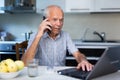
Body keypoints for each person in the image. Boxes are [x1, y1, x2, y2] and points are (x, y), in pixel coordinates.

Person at [22, 5, 93, 71]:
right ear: (44, 20)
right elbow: (25, 64)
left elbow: (78, 54)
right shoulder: (35, 36)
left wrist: (83, 61)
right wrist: (38, 36)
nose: (59, 24)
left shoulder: (65, 36)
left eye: (61, 20)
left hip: (60, 75)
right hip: (41, 75)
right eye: (55, 20)